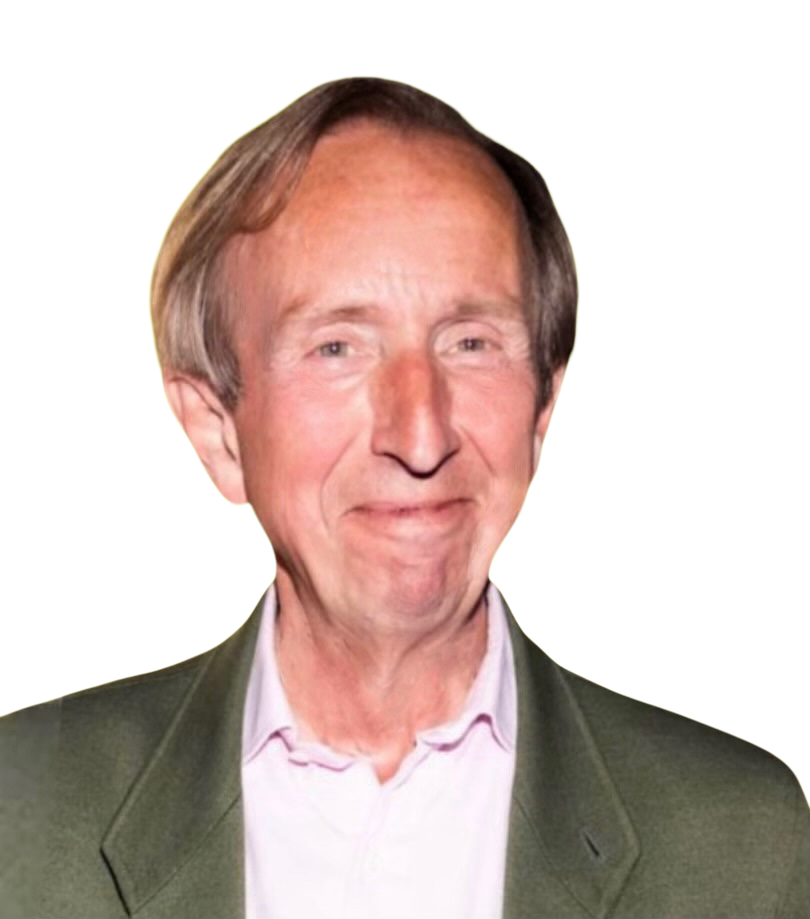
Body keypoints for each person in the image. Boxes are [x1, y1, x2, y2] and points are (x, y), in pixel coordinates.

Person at [1, 76, 808, 919]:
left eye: (471, 342)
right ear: (218, 431)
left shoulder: (746, 843)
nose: (420, 436)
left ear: (542, 412)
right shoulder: (16, 818)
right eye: (338, 347)